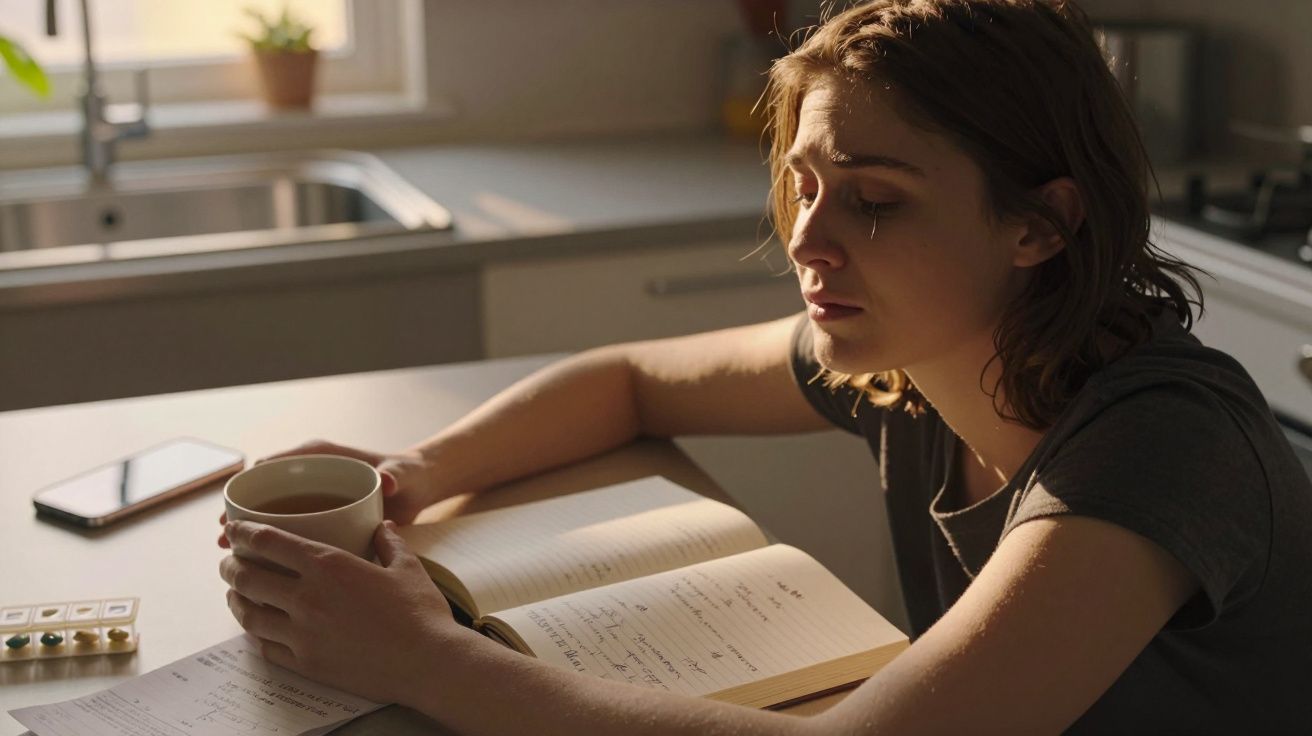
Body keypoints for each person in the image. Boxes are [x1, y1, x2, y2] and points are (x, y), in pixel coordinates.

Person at [216, 0, 1312, 733]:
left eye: (874, 200)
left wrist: (425, 661)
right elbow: (629, 380)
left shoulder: (1158, 449)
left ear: (1039, 225)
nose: (808, 240)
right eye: (805, 184)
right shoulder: (914, 361)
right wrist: (416, 469)